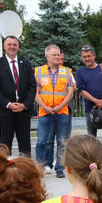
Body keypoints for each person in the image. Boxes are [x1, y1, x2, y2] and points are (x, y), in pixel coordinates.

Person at [0, 35, 37, 158]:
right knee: (5, 144)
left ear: (18, 47)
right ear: (4, 46)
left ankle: (26, 172)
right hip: (5, 111)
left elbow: (33, 86)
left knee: (25, 144)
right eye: (9, 44)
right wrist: (8, 104)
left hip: (23, 111)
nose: (12, 47)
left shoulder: (26, 64)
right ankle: (4, 173)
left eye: (15, 44)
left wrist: (25, 104)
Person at [34, 44, 75, 179]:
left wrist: (60, 106)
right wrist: (45, 107)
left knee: (62, 141)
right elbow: (35, 93)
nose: (57, 57)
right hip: (44, 112)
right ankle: (40, 168)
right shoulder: (38, 71)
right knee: (42, 141)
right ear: (47, 56)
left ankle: (59, 168)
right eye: (54, 55)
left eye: (58, 55)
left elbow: (70, 93)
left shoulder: (67, 72)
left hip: (62, 111)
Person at [74, 45, 102, 137]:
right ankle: (93, 152)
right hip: (90, 109)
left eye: (89, 56)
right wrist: (97, 101)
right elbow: (81, 91)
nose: (87, 59)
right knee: (91, 137)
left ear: (94, 56)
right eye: (84, 57)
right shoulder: (79, 72)